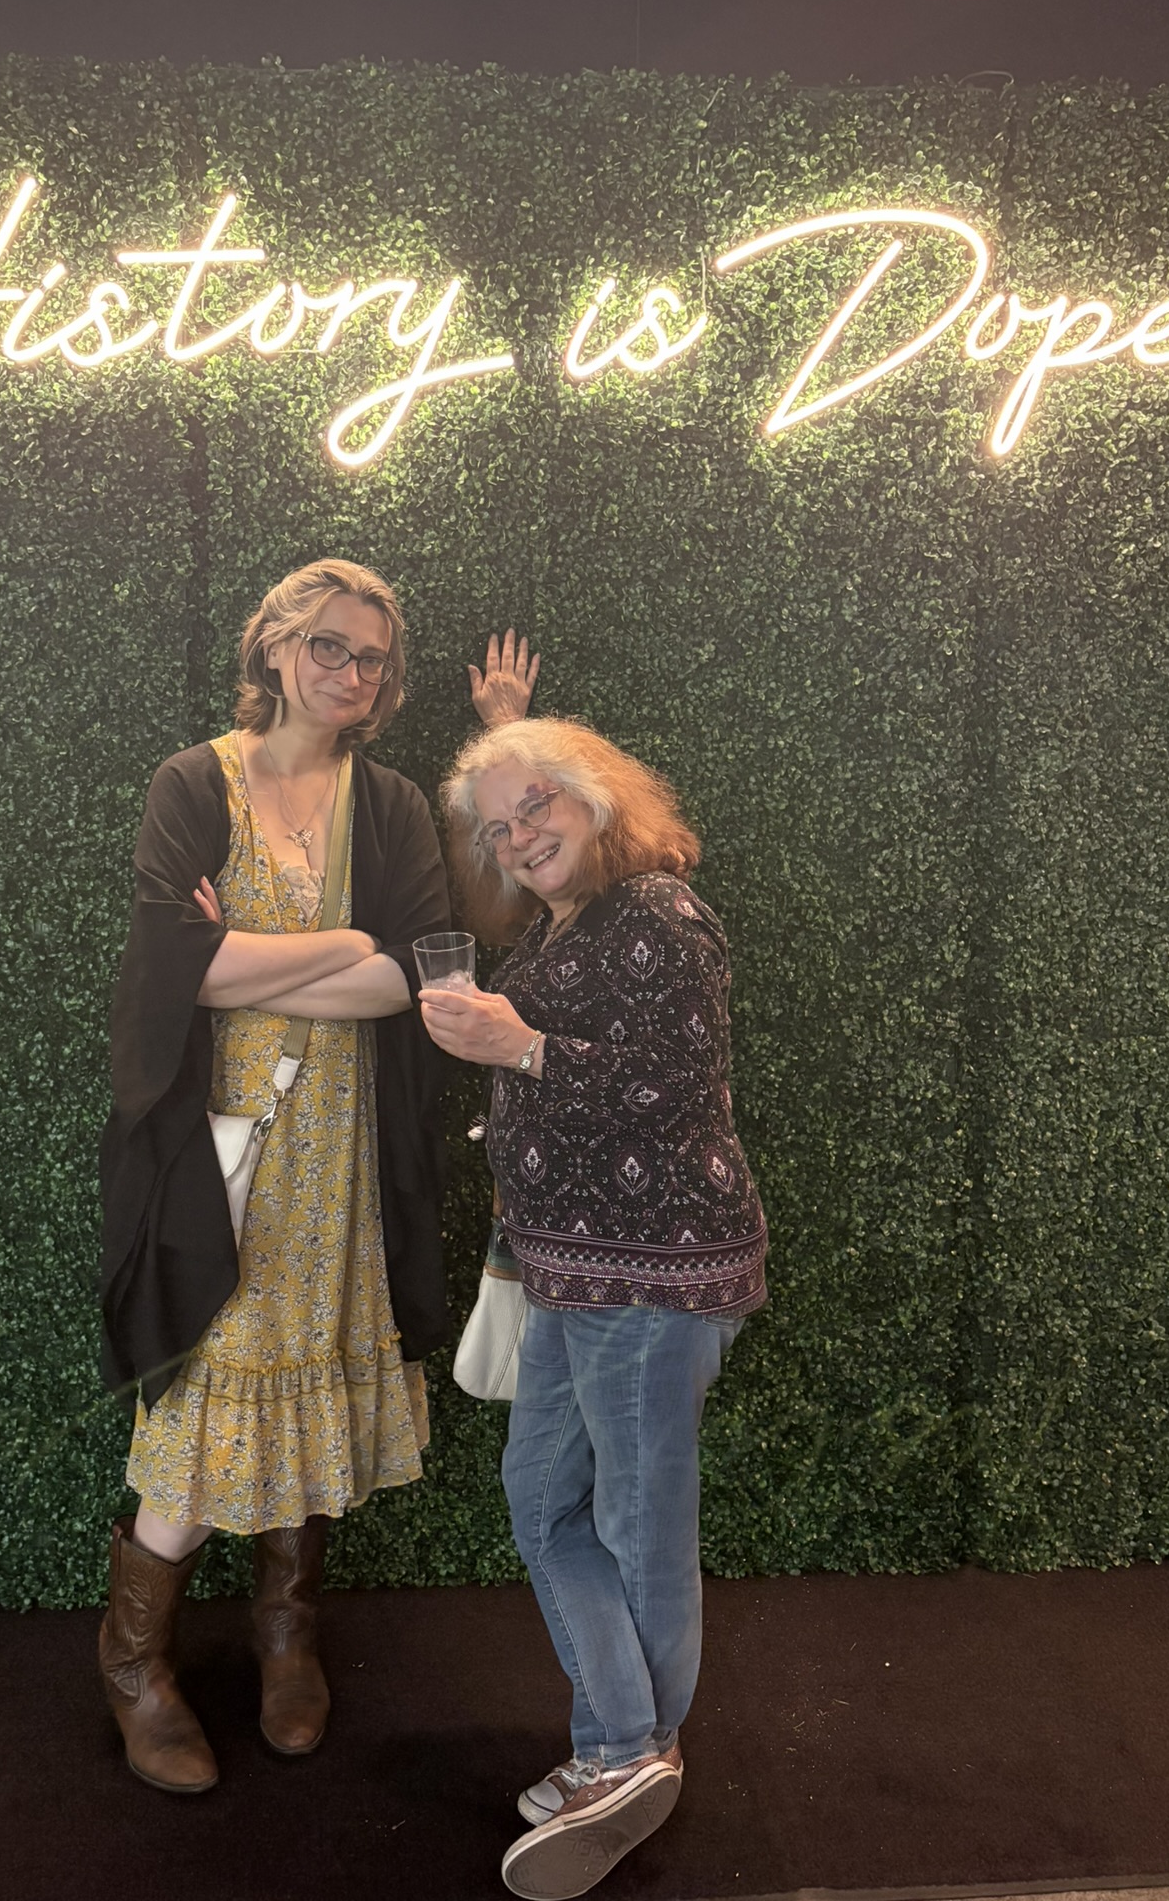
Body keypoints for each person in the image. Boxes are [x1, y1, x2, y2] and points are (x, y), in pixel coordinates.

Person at [97, 574, 539, 1793]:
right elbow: (169, 972)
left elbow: (415, 973)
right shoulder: (194, 783)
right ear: (279, 648)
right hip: (223, 1149)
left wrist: (248, 959)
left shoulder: (388, 803)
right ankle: (134, 1660)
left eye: (377, 663)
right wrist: (337, 946)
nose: (355, 675)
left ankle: (290, 1634)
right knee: (199, 1406)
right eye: (332, 649)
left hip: (349, 1154)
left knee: (323, 1383)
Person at [421, 718, 767, 1901]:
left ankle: (620, 1752)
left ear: (599, 800)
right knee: (541, 1494)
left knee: (637, 1527)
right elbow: (570, 1072)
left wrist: (518, 1048)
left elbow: (669, 1092)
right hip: (570, 1271)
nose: (522, 835)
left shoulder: (661, 914)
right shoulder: (573, 922)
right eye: (502, 825)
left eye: (540, 808)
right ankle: (629, 1745)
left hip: (653, 1278)